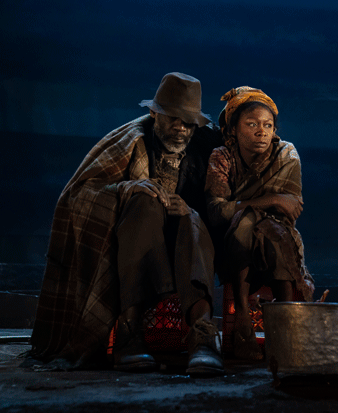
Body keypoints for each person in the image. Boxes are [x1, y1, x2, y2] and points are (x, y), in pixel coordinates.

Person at [28, 72, 226, 375]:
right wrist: (127, 189)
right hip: (137, 240)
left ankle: (202, 335)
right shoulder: (131, 141)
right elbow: (78, 195)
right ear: (154, 113)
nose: (179, 128)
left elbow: (218, 204)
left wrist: (187, 207)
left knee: (193, 219)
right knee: (143, 204)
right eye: (172, 118)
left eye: (187, 122)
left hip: (187, 247)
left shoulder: (206, 149)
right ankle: (130, 332)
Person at [206, 86, 314, 359]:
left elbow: (291, 211)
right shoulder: (222, 157)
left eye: (268, 125)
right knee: (247, 221)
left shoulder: (286, 155)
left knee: (270, 230)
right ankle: (242, 316)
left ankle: (286, 320)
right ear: (233, 130)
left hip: (278, 236)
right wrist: (270, 200)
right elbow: (216, 213)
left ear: (275, 130)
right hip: (231, 242)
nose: (261, 131)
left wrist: (248, 206)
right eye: (251, 124)